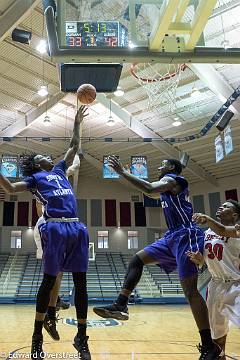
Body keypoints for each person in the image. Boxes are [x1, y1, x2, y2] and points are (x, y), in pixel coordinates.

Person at [93, 156, 223, 360]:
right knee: (137, 259)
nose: (158, 165)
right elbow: (151, 192)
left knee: (190, 292)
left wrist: (122, 172)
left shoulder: (174, 180)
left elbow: (149, 189)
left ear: (171, 167)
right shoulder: (167, 188)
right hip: (171, 236)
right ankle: (121, 304)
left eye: (162, 163)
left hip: (186, 234)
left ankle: (209, 346)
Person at [0, 106, 91, 360]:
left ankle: (81, 337)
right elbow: (8, 187)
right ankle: (36, 337)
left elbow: (73, 146)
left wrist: (76, 122)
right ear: (37, 164)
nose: (49, 156)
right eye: (43, 156)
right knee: (49, 281)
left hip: (76, 226)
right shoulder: (35, 179)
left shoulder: (60, 170)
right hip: (54, 227)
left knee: (81, 284)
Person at [33, 155, 80, 341]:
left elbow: (74, 165)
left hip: (61, 224)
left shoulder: (60, 174)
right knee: (52, 275)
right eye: (44, 158)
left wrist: (77, 153)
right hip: (47, 224)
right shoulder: (39, 178)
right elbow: (39, 209)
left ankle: (53, 310)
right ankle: (50, 314)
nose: (49, 159)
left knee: (58, 273)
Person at [187, 200, 240, 359]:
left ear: (234, 215)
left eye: (226, 207)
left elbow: (223, 230)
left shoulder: (237, 230)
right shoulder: (207, 233)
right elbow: (207, 260)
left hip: (236, 285)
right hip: (215, 286)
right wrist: (199, 259)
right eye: (221, 205)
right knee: (217, 334)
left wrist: (207, 219)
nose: (221, 207)